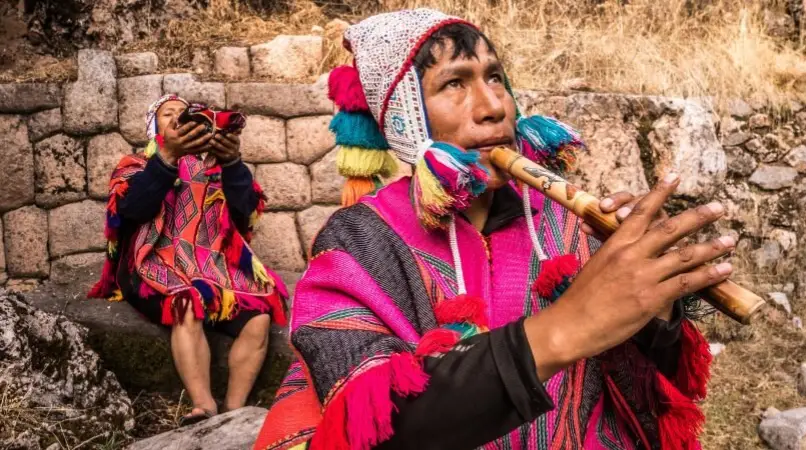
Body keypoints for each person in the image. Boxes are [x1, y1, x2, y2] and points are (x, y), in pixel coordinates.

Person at [254, 9, 730, 450]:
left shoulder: (564, 221)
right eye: (454, 84)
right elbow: (374, 423)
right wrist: (568, 328)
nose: (493, 107)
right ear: (407, 118)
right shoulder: (358, 239)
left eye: (495, 78)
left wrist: (657, 300)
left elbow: (643, 379)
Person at [89, 94, 288, 426]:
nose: (178, 118)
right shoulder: (136, 165)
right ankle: (204, 405)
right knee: (186, 302)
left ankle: (235, 411)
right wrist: (167, 157)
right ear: (156, 129)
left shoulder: (215, 169)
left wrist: (233, 162)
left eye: (184, 115)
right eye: (168, 115)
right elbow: (131, 211)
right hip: (155, 261)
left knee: (259, 315)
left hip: (211, 265)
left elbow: (242, 216)